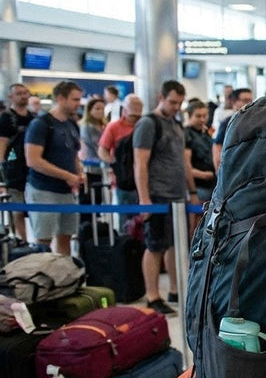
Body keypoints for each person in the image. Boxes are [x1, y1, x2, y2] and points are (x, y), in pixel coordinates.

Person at [133, 80, 197, 315]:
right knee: (155, 245)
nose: (176, 107)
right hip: (157, 195)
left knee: (173, 245)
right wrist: (144, 198)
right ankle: (152, 295)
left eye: (180, 103)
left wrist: (191, 191)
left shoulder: (176, 125)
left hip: (177, 194)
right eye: (172, 102)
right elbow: (140, 163)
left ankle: (174, 290)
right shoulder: (148, 124)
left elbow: (183, 162)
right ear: (161, 97)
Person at [23, 81, 84, 254]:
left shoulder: (71, 125)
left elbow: (74, 154)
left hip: (67, 191)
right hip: (43, 190)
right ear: (60, 98)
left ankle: (63, 276)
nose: (78, 103)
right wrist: (66, 175)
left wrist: (78, 172)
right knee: (44, 240)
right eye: (74, 99)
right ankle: (44, 278)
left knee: (66, 236)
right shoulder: (41, 125)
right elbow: (33, 160)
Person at [0, 83, 35, 240]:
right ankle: (22, 240)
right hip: (14, 169)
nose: (23, 96)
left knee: (34, 208)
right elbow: (2, 144)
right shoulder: (6, 118)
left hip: (32, 169)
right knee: (18, 209)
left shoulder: (33, 118)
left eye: (25, 93)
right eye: (19, 93)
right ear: (11, 97)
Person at [98, 94, 144, 206]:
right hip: (124, 179)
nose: (135, 119)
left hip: (143, 177)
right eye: (133, 115)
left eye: (138, 116)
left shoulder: (144, 125)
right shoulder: (114, 127)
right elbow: (102, 151)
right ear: (124, 110)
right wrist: (116, 164)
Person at [211, 87, 253, 170]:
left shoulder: (255, 122)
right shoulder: (227, 123)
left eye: (250, 100)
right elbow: (217, 147)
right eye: (245, 100)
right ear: (233, 102)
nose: (249, 104)